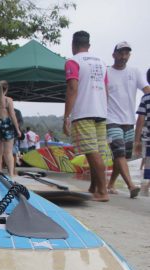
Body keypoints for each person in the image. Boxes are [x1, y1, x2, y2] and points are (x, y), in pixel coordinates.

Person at [63, 31, 109, 202]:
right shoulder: (102, 63)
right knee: (98, 152)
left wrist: (67, 116)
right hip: (101, 112)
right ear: (89, 46)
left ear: (73, 45)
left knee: (91, 152)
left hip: (84, 112)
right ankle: (94, 187)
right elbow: (105, 89)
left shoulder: (73, 61)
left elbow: (72, 89)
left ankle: (103, 191)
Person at [105, 41, 150, 198]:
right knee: (119, 154)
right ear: (114, 55)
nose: (124, 56)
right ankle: (131, 186)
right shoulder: (107, 73)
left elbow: (146, 89)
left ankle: (110, 184)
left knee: (124, 155)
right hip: (111, 119)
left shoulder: (135, 72)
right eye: (121, 53)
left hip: (129, 121)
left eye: (126, 53)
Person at [133, 69, 150, 191]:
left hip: (148, 139)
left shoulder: (146, 98)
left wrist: (137, 141)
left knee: (148, 166)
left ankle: (147, 186)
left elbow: (140, 120)